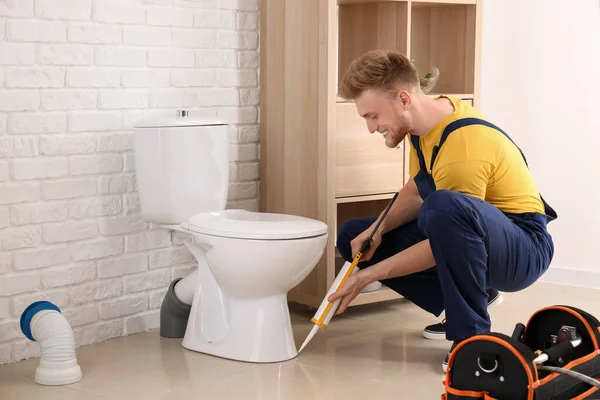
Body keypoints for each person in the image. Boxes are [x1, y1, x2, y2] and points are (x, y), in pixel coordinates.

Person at [328, 50, 557, 372]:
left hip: (523, 248)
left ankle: (472, 341)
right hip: (477, 235)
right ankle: (478, 294)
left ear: (404, 98)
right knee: (355, 234)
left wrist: (369, 275)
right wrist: (374, 232)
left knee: (444, 205)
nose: (370, 128)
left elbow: (448, 236)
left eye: (373, 116)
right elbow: (415, 190)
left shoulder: (463, 145)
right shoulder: (426, 125)